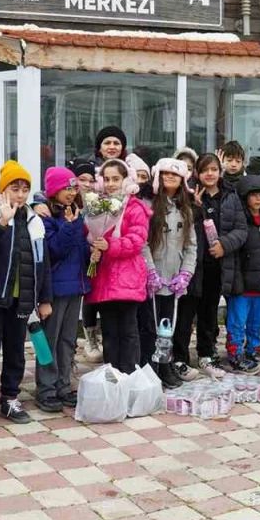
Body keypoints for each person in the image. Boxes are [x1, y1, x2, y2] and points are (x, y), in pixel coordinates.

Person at [0, 162, 52, 430]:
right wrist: (3, 221)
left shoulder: (34, 221)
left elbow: (43, 262)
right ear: (3, 189)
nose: (20, 194)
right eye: (14, 188)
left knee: (16, 351)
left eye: (25, 189)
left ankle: (10, 397)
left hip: (22, 298)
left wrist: (44, 298)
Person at [175, 154, 247, 378]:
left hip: (217, 266)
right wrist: (195, 206)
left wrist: (224, 245)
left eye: (214, 169)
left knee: (209, 313)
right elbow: (179, 226)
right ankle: (179, 358)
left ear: (220, 171)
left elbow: (241, 229)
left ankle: (206, 355)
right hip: (191, 266)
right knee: (186, 314)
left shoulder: (230, 196)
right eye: (205, 169)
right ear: (196, 172)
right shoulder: (187, 194)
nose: (210, 173)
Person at [87, 158, 149, 374]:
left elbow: (137, 240)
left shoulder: (134, 207)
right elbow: (91, 233)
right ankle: (111, 374)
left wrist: (109, 244)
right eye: (107, 179)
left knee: (128, 330)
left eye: (116, 179)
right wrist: (93, 245)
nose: (111, 183)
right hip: (105, 278)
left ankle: (130, 373)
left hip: (127, 279)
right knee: (109, 331)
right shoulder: (97, 206)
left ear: (126, 180)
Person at [37, 167, 91, 413]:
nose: (71, 193)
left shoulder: (77, 214)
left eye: (73, 188)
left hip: (75, 287)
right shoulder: (45, 218)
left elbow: (80, 250)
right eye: (65, 188)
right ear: (53, 191)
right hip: (55, 289)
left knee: (68, 340)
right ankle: (46, 389)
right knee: (48, 340)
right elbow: (54, 250)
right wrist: (69, 226)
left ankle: (62, 384)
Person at [144, 158, 198, 385]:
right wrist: (150, 272)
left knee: (168, 327)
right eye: (165, 174)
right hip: (153, 280)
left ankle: (165, 365)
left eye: (175, 175)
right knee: (150, 327)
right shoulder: (149, 206)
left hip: (174, 280)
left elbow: (191, 245)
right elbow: (142, 243)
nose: (170, 178)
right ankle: (151, 367)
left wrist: (186, 273)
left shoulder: (185, 210)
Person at [225, 175, 260, 371]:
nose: (258, 199)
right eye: (254, 195)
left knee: (256, 322)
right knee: (237, 321)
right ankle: (235, 353)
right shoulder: (239, 221)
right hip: (242, 284)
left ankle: (253, 350)